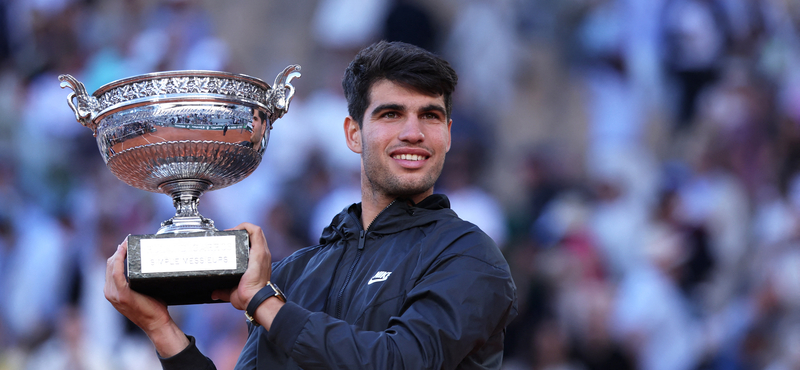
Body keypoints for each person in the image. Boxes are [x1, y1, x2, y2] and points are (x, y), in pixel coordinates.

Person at [104, 40, 518, 369]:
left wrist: (263, 302)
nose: (413, 132)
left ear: (446, 134)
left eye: (429, 116)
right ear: (353, 133)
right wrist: (163, 331)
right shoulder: (294, 275)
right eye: (391, 114)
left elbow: (398, 362)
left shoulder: (467, 256)